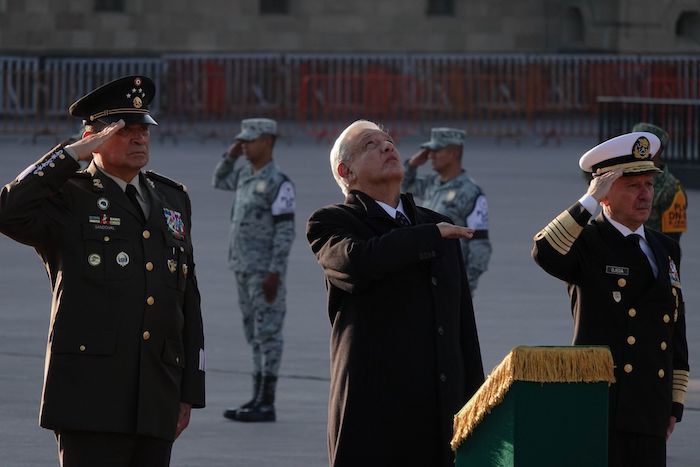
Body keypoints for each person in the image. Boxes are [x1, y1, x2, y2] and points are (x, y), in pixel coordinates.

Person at [0, 75, 205, 466]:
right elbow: (8, 211)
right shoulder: (68, 195)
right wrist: (70, 155)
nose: (139, 138)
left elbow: (186, 297)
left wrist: (189, 389)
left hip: (155, 397)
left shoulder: (171, 198)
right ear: (92, 137)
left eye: (143, 129)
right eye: (124, 130)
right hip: (89, 398)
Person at [306, 120, 484, 467]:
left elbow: (463, 327)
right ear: (347, 171)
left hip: (441, 418)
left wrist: (476, 407)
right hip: (375, 420)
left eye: (389, 141)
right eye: (370, 145)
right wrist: (428, 237)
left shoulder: (436, 223)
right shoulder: (332, 222)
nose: (388, 147)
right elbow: (356, 263)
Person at [532, 132, 689, 467]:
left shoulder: (665, 248)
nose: (645, 194)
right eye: (633, 186)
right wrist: (587, 201)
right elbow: (543, 251)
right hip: (602, 404)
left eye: (648, 184)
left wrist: (674, 404)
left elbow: (675, 327)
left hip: (651, 406)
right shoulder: (587, 242)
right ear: (604, 194)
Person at [212, 118, 295, 423]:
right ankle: (256, 397)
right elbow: (219, 180)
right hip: (243, 269)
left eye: (251, 140)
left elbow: (285, 232)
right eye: (242, 139)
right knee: (254, 334)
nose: (245, 144)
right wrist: (231, 155)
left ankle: (267, 401)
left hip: (265, 273)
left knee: (269, 334)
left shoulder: (280, 183)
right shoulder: (245, 175)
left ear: (268, 142)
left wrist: (275, 272)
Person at [402, 127, 491, 292]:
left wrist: (465, 286)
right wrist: (412, 164)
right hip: (424, 274)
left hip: (449, 277)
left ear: (454, 154)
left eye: (437, 150)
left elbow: (480, 244)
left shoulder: (471, 192)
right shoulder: (431, 184)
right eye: (429, 151)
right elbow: (401, 187)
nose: (430, 156)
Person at [631, 122, 687, 242]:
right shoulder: (623, 175)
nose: (638, 149)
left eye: (644, 145)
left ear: (658, 150)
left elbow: (672, 240)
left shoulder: (672, 188)